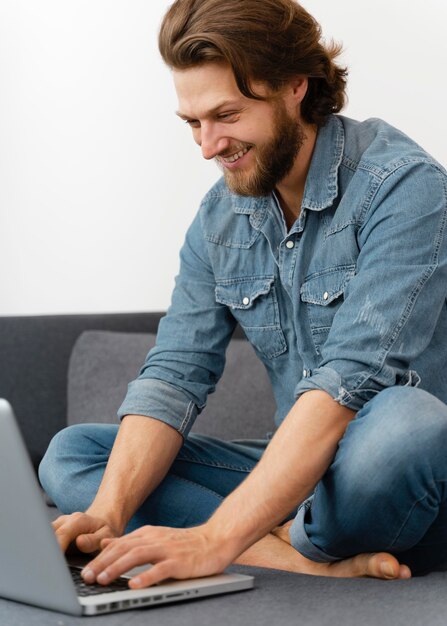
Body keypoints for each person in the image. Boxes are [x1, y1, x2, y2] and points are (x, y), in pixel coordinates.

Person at [39, 0, 447, 589]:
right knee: (73, 456)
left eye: (225, 115)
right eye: (192, 123)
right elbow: (175, 375)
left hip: (399, 481)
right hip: (300, 478)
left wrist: (214, 536)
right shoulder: (219, 217)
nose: (207, 147)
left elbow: (347, 384)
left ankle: (263, 536)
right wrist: (107, 517)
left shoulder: (405, 187)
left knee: (408, 425)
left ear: (294, 87)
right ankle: (296, 556)